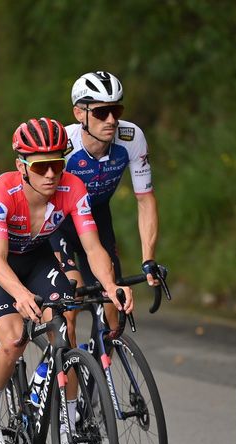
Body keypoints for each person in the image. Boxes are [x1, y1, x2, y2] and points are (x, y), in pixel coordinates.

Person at [0, 117, 133, 444]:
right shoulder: (0, 195)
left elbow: (92, 248)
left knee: (64, 332)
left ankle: (67, 423)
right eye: (41, 166)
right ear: (21, 166)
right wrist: (20, 294)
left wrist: (110, 284)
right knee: (14, 338)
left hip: (37, 255)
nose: (50, 175)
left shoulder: (73, 189)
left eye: (56, 164)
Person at [51, 71, 159, 340]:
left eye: (116, 110)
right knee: (69, 309)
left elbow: (145, 200)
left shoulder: (131, 138)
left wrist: (148, 259)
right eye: (101, 113)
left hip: (97, 218)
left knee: (113, 309)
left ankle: (99, 371)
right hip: (58, 223)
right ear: (79, 114)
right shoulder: (63, 146)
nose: (111, 120)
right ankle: (59, 367)